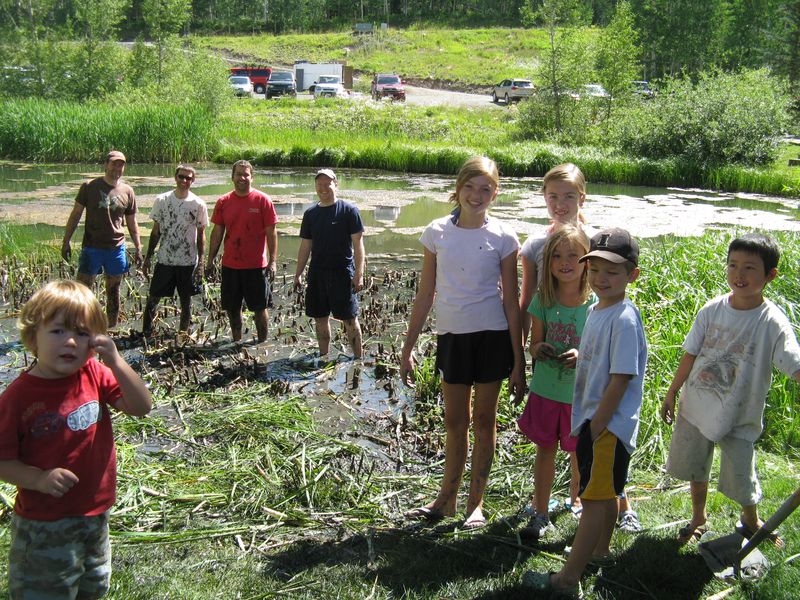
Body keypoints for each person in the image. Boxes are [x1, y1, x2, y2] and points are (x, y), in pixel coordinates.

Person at [0, 280, 152, 598]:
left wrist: (116, 362)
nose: (70, 341)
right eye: (57, 331)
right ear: (32, 337)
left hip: (95, 513)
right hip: (44, 523)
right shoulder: (18, 396)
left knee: (93, 585)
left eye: (82, 333)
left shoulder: (95, 374)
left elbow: (141, 407)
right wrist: (38, 478)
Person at [400, 156, 526, 529]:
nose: (476, 195)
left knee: (485, 421)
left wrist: (518, 360)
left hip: (492, 337)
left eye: (485, 188)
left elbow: (511, 301)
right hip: (452, 337)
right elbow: (425, 294)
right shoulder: (436, 232)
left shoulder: (504, 238)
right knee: (455, 421)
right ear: (457, 189)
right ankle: (446, 499)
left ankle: (476, 503)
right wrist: (407, 348)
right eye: (470, 187)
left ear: (496, 193)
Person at [523, 228, 646, 596]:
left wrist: (597, 426)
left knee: (593, 500)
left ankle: (567, 579)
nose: (601, 278)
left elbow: (621, 378)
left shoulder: (623, 318)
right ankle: (601, 550)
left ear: (632, 275)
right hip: (595, 421)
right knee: (604, 494)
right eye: (594, 269)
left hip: (606, 425)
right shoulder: (597, 310)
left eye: (612, 271)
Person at [661, 232, 800, 545]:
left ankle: (750, 518)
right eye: (733, 265)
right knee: (697, 466)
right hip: (697, 404)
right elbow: (690, 354)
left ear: (770, 275)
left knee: (741, 473)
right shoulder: (711, 310)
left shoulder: (772, 322)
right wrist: (672, 392)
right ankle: (698, 516)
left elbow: (793, 362)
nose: (739, 274)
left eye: (750, 268)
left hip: (739, 412)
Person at [517, 225, 594, 539]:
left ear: (586, 261)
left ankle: (577, 500)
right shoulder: (543, 301)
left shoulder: (595, 304)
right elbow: (533, 344)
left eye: (573, 256)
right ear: (547, 263)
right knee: (545, 450)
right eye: (557, 256)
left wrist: (581, 353)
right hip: (546, 391)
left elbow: (599, 350)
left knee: (579, 453)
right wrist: (540, 349)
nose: (565, 262)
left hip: (579, 394)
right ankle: (541, 510)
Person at [61, 150, 142, 329]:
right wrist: (66, 241)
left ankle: (111, 328)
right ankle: (79, 327)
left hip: (116, 249)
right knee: (83, 289)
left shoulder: (128, 191)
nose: (117, 168)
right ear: (106, 165)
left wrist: (138, 246)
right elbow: (75, 215)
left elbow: (132, 221)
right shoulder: (89, 186)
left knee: (114, 291)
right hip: (92, 248)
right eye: (114, 164)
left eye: (121, 164)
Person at [519, 163, 594, 345]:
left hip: (587, 345)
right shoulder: (535, 245)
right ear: (545, 197)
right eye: (553, 196)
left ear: (581, 198)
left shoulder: (594, 242)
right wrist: (519, 355)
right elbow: (527, 300)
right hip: (546, 344)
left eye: (569, 196)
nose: (560, 204)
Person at [294, 168, 365, 358]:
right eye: (319, 184)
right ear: (316, 187)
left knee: (350, 319)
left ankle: (359, 358)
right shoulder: (310, 214)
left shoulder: (349, 211)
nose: (323, 188)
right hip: (317, 273)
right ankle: (324, 357)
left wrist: (359, 274)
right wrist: (298, 273)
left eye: (327, 184)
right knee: (320, 318)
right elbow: (305, 246)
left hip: (342, 273)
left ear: (336, 185)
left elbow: (358, 245)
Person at [205, 160, 278, 343]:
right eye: (238, 174)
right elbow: (217, 233)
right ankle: (236, 341)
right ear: (232, 177)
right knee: (232, 308)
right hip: (231, 264)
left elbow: (272, 233)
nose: (242, 178)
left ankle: (262, 343)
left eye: (246, 174)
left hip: (256, 266)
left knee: (260, 308)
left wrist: (273, 261)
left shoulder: (263, 200)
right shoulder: (223, 201)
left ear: (252, 177)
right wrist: (210, 260)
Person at [141, 164, 208, 337]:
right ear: (175, 177)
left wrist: (201, 262)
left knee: (186, 302)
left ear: (193, 180)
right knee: (153, 297)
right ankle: (146, 333)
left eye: (188, 178)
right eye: (181, 177)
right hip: (165, 259)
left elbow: (201, 235)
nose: (184, 181)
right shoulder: (162, 200)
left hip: (187, 261)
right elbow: (155, 231)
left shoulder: (198, 204)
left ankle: (183, 335)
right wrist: (148, 257)